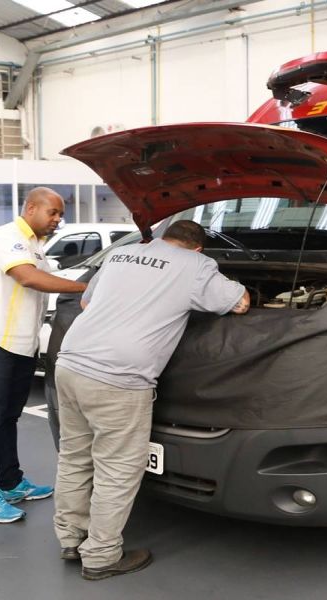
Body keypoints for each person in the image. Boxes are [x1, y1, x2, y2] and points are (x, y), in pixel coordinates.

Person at [53, 220, 250, 581]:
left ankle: (70, 538)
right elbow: (239, 303)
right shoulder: (196, 265)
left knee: (75, 457)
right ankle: (100, 556)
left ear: (163, 238)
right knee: (118, 469)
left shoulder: (122, 253)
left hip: (69, 363)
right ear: (197, 248)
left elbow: (85, 301)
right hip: (119, 379)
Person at [0, 187, 87, 524]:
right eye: (53, 213)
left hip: (21, 344)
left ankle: (11, 482)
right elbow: (28, 278)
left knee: (8, 417)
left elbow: (41, 275)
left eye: (61, 215)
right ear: (31, 208)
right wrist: (86, 288)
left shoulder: (35, 247)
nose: (58, 220)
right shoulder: (7, 237)